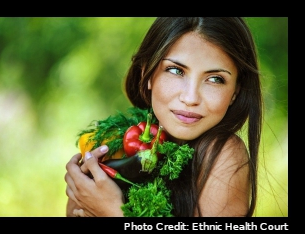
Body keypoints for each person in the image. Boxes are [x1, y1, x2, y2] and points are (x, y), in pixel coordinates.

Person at [64, 17, 262, 217]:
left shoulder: (223, 153)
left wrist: (113, 212)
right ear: (147, 75)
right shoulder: (122, 140)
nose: (190, 98)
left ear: (235, 92)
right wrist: (81, 194)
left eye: (215, 79)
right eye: (176, 71)